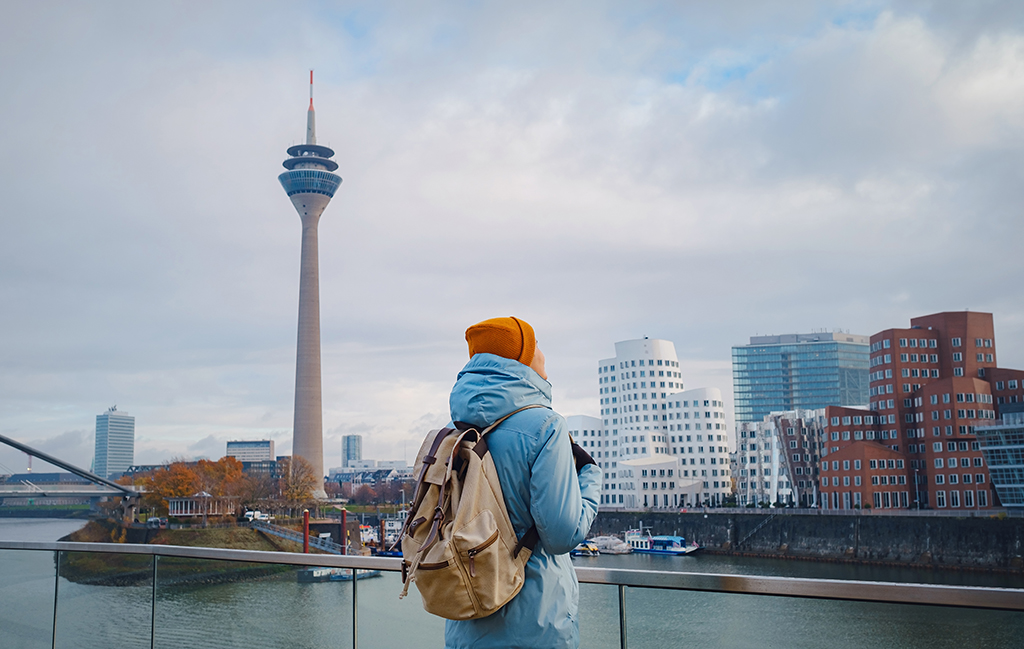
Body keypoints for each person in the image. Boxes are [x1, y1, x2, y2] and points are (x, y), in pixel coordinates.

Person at [445, 316, 601, 649]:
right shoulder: (546, 426)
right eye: (536, 343)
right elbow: (561, 535)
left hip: (467, 617)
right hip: (536, 622)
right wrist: (590, 479)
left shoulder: (453, 429)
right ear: (522, 356)